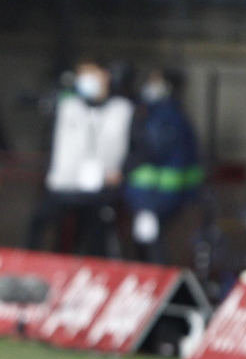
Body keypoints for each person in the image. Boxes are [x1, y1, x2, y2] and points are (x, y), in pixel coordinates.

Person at [26, 58, 133, 257]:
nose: (86, 79)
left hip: (101, 189)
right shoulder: (67, 105)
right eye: (82, 74)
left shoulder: (123, 109)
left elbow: (138, 148)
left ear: (106, 75)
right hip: (63, 186)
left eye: (92, 72)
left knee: (95, 242)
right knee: (44, 228)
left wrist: (122, 172)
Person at [124, 68, 202, 264]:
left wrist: (126, 164)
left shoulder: (163, 118)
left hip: (154, 196)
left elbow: (153, 151)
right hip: (159, 195)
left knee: (152, 247)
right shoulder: (174, 115)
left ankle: (156, 288)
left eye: (155, 81)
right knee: (148, 244)